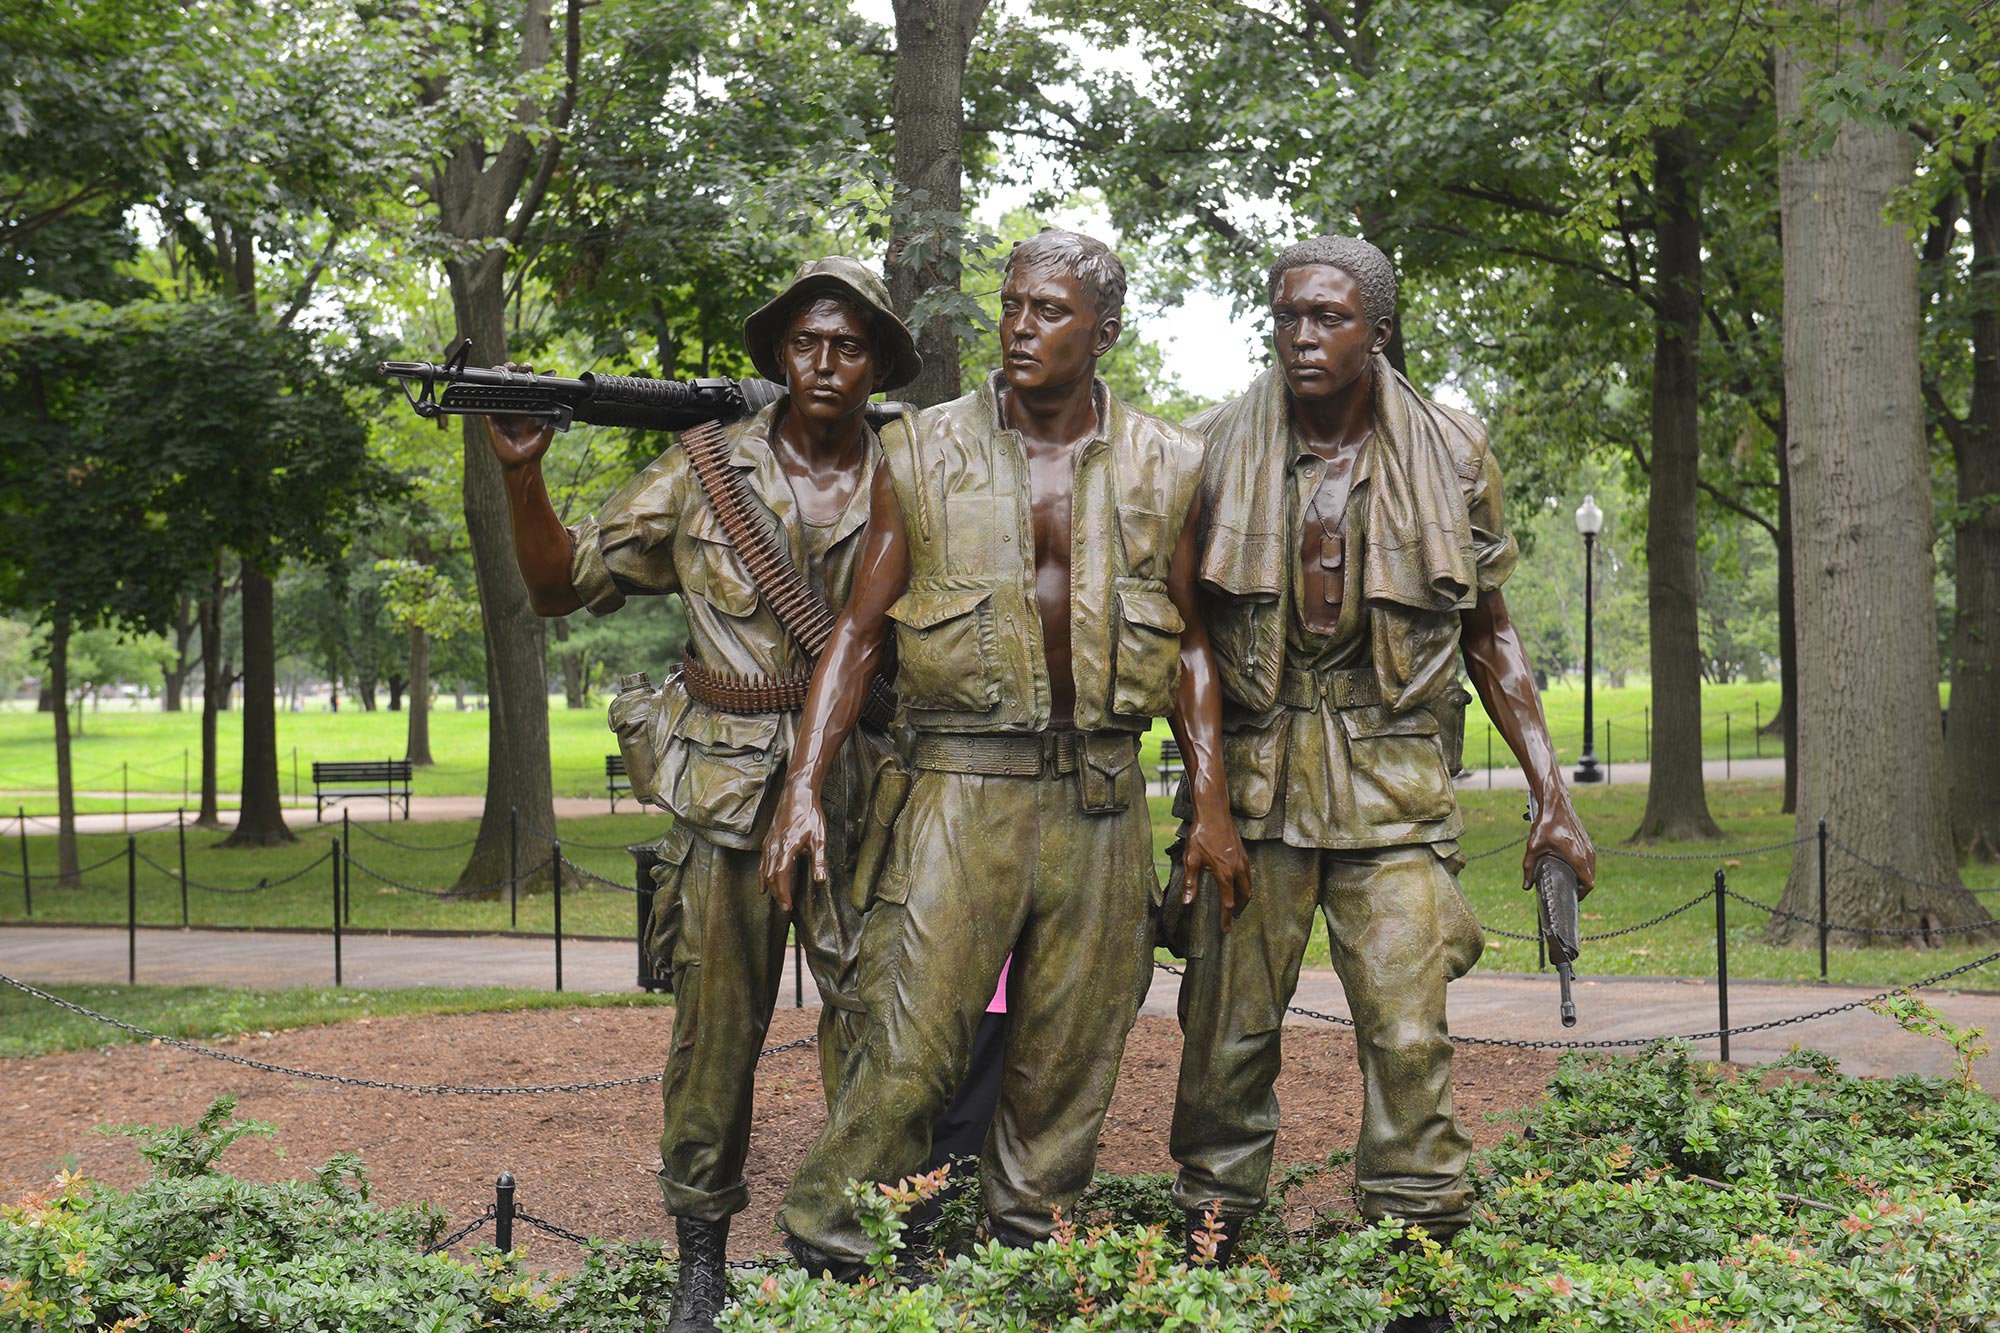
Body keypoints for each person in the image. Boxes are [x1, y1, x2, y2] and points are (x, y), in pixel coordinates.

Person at [760, 228, 1251, 1272]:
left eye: (1049, 311)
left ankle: (1025, 1253)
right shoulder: (920, 449)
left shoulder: (1171, 462)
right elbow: (855, 632)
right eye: (1011, 305)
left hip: (1102, 795)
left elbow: (1192, 645)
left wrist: (1207, 808)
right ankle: (834, 1253)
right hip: (957, 788)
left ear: (1104, 331)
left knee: (1068, 1061)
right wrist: (803, 788)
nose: (1020, 327)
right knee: (905, 1048)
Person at [479, 256, 921, 1333]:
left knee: (877, 1022)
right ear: (777, 355)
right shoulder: (701, 470)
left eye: (848, 344)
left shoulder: (917, 469)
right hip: (724, 787)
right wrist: (522, 477)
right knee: (713, 1033)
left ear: (875, 363)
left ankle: (851, 1240)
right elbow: (555, 586)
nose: (824, 362)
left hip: (865, 780)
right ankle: (701, 1258)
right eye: (806, 342)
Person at [1165, 236, 1596, 1308]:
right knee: (1226, 1036)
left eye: (1326, 319)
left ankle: (1416, 1256)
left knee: (1407, 1032)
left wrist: (1551, 791)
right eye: (1286, 317)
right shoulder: (1208, 450)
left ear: (1377, 332)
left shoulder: (1451, 453)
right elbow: (1181, 639)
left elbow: (1488, 634)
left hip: (1393, 781)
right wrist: (1204, 805)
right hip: (1253, 787)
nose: (1301, 338)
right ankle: (1209, 1246)